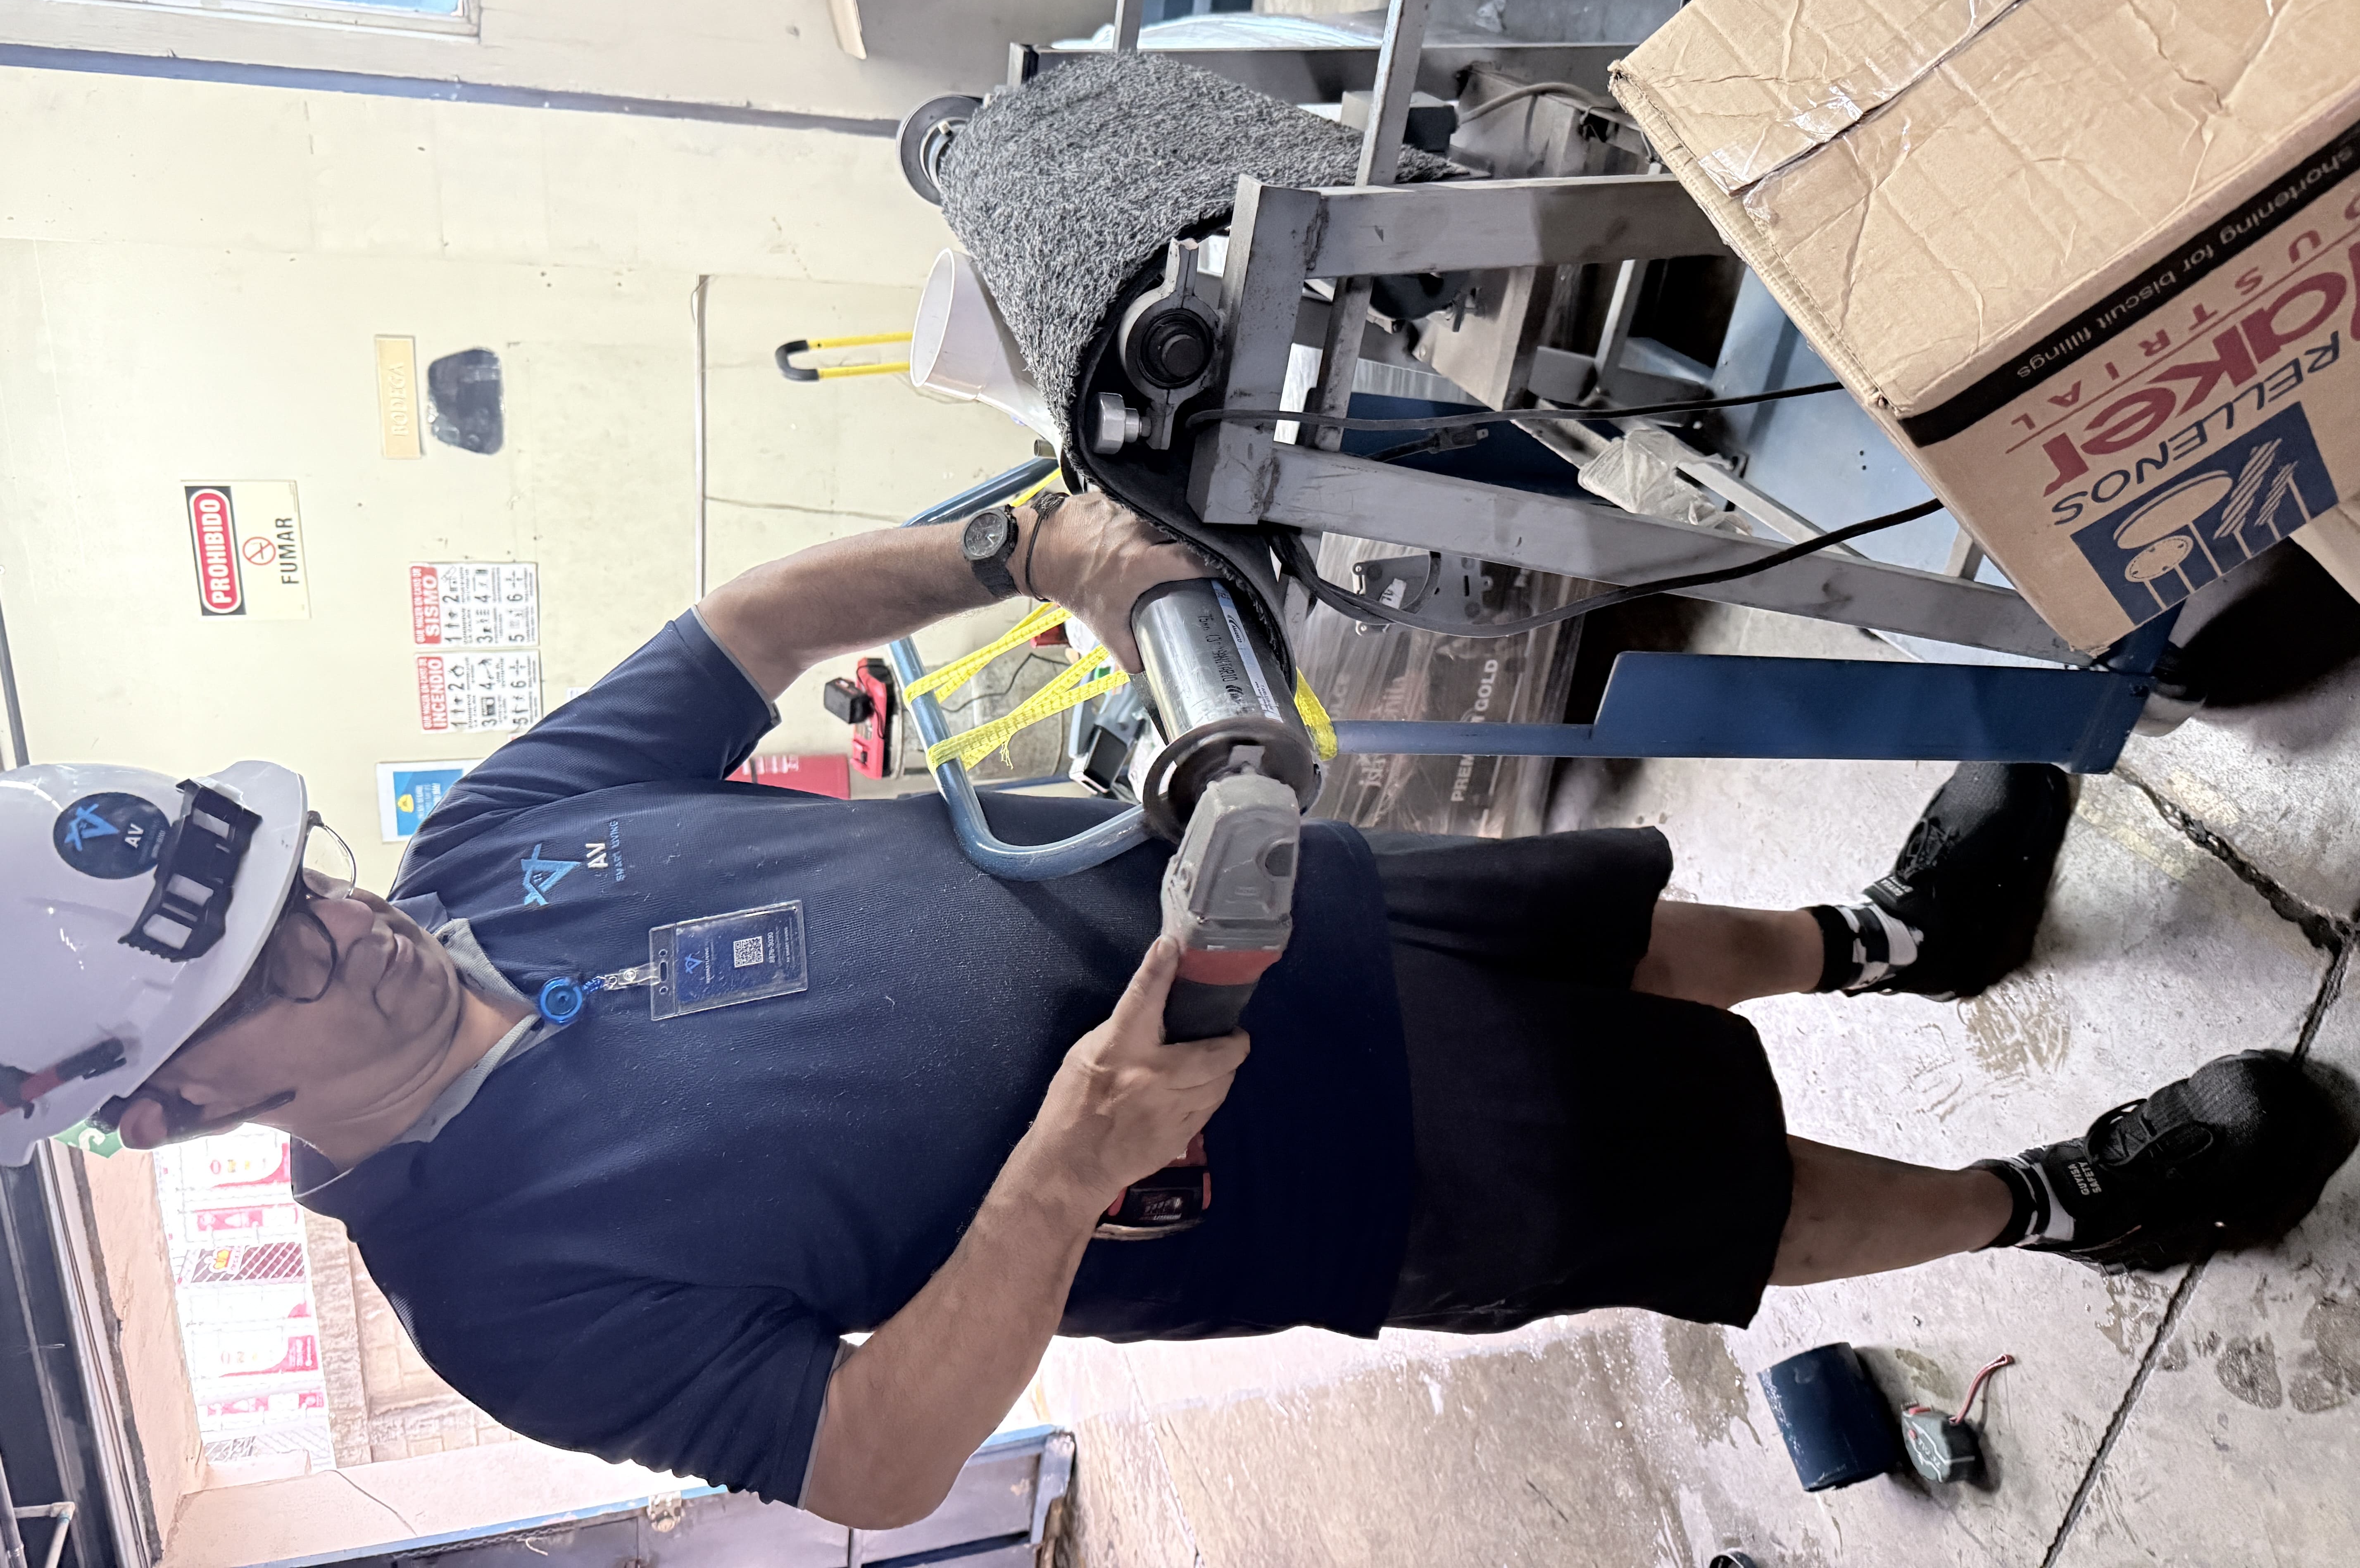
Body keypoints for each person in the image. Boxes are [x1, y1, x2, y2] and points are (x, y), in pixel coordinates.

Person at [3, 491, 2348, 1528]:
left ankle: (1893, 942)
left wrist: (1023, 550)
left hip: (1278, 910)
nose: (340, 926)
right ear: (177, 1109)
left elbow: (746, 632)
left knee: (1629, 934)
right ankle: (2059, 1202)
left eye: (294, 878)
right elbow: (868, 1463)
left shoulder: (494, 847)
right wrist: (1061, 1174)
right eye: (261, 968)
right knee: (1730, 1190)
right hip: (1313, 1182)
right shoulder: (501, 1301)